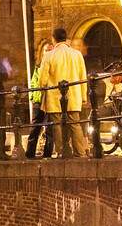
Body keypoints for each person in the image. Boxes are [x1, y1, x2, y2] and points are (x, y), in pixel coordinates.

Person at [38, 28, 90, 158]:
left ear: (54, 39)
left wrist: (42, 87)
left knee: (57, 125)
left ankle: (62, 151)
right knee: (75, 124)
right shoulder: (77, 54)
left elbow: (42, 80)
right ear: (66, 39)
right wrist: (83, 96)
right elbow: (83, 77)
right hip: (73, 96)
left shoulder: (49, 55)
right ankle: (80, 152)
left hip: (55, 97)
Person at [25, 42, 54, 159]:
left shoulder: (54, 65)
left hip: (50, 98)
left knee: (49, 128)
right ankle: (30, 152)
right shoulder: (38, 66)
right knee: (35, 126)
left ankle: (47, 153)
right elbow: (33, 81)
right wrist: (32, 95)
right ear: (42, 52)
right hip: (39, 99)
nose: (48, 52)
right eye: (46, 50)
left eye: (50, 50)